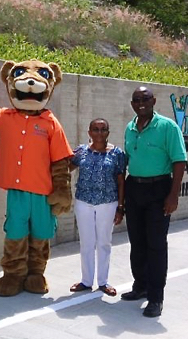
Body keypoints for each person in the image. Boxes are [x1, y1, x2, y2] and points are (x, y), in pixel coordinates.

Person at [121, 86, 186, 318]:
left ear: (154, 101)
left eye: (145, 99)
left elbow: (179, 161)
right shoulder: (130, 128)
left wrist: (173, 194)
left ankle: (156, 298)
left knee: (156, 245)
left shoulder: (168, 127)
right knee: (137, 241)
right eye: (136, 99)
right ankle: (141, 286)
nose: (141, 103)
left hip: (159, 189)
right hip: (134, 188)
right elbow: (127, 158)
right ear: (132, 103)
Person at [69, 118, 126, 297]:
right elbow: (65, 169)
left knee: (104, 242)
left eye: (103, 129)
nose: (99, 133)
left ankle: (102, 282)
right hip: (83, 202)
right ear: (89, 132)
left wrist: (121, 207)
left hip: (107, 203)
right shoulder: (81, 151)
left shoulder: (117, 154)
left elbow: (121, 180)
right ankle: (86, 281)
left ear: (108, 132)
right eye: (95, 129)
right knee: (86, 242)